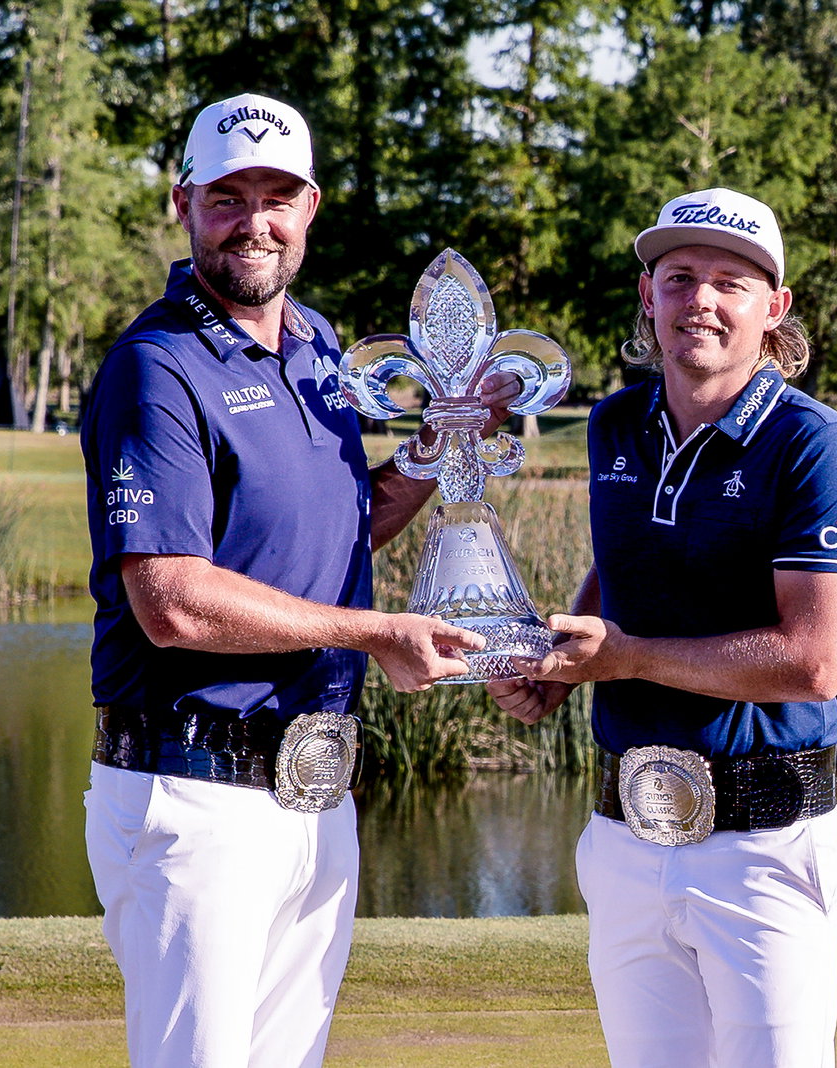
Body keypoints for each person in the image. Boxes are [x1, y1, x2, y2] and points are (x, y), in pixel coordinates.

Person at [80, 92, 515, 1068]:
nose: (255, 221)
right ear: (184, 202)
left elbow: (345, 525)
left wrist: (438, 445)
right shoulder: (157, 368)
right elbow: (170, 599)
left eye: (276, 195)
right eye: (229, 196)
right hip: (194, 792)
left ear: (310, 206)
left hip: (313, 796)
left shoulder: (318, 346)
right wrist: (373, 634)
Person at [487, 186, 837, 1067]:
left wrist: (623, 660)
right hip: (624, 840)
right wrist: (561, 660)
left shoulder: (815, 445)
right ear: (648, 297)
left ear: (772, 308)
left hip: (765, 845)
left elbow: (816, 662)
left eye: (730, 283)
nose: (700, 299)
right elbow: (623, 566)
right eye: (680, 277)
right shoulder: (614, 424)